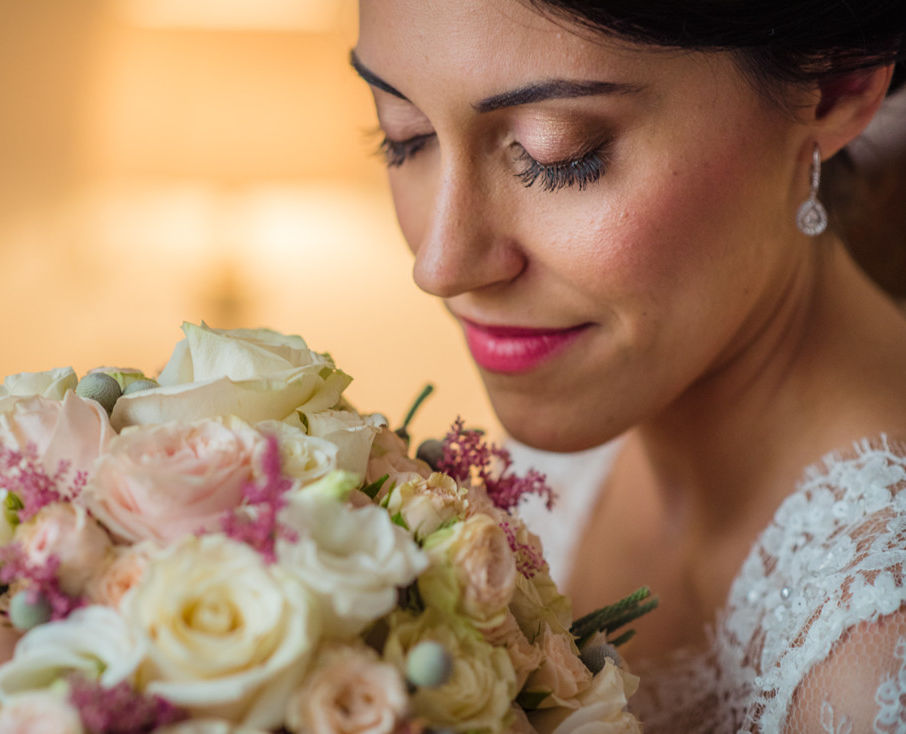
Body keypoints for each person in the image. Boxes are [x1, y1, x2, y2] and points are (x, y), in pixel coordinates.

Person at [351, 1, 906, 731]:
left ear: (837, 83)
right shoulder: (556, 463)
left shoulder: (876, 663)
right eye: (406, 137)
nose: (441, 264)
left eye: (559, 153)